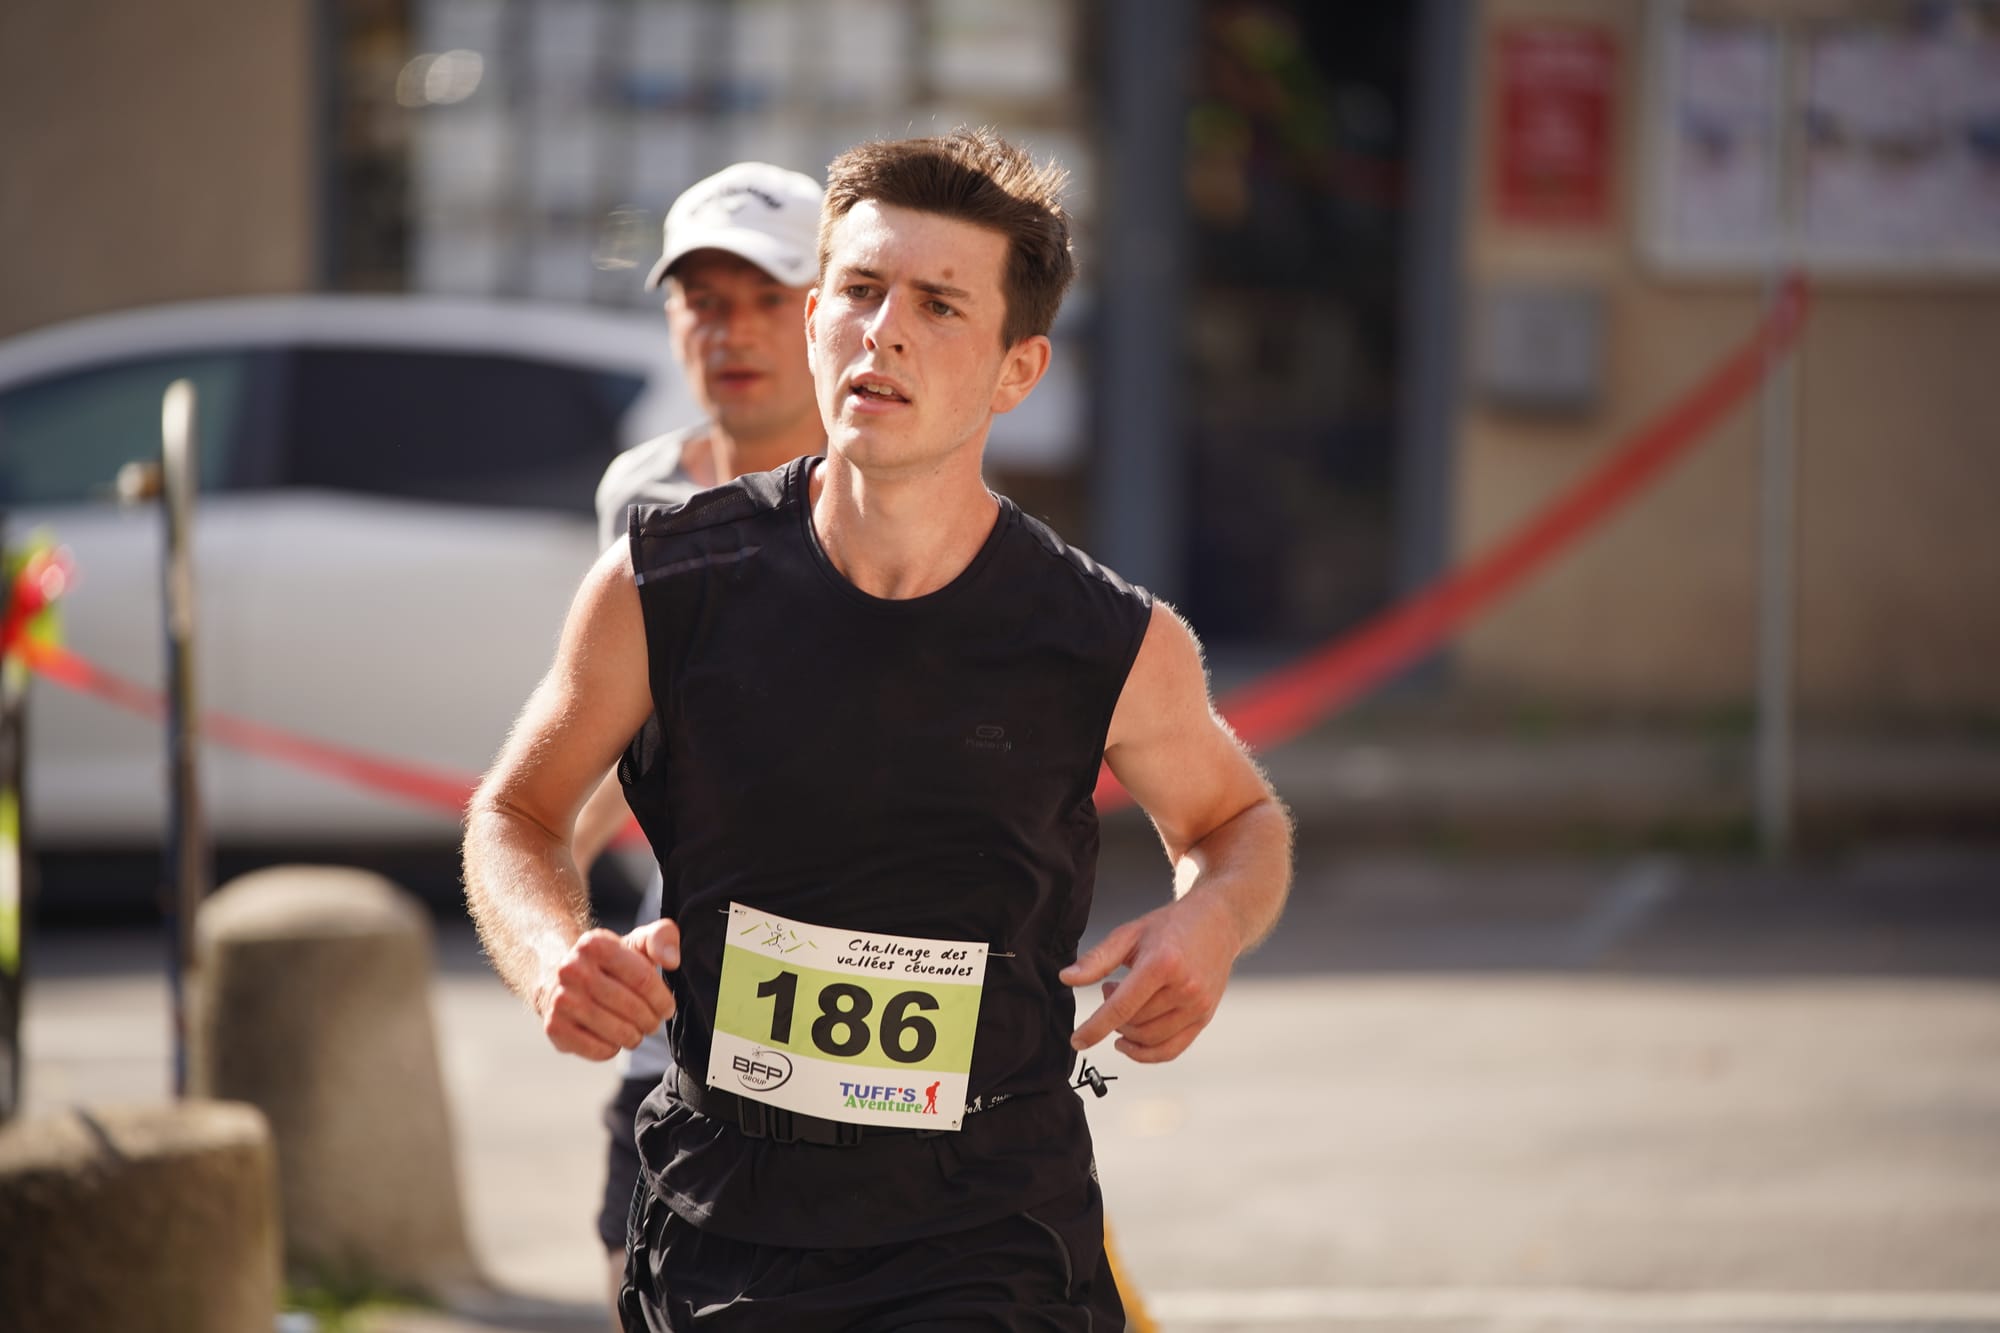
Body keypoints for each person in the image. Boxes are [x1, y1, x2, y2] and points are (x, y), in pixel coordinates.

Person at [463, 127, 1292, 1331]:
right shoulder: (662, 583)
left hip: (987, 1236)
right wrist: (551, 952)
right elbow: (515, 813)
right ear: (818, 322)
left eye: (939, 305)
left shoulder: (1104, 638)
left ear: (1016, 370)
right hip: (723, 1231)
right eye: (858, 290)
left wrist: (1207, 922)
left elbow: (1238, 821)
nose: (883, 331)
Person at [568, 160, 827, 1315]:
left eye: (769, 297)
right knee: (637, 1274)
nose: (733, 331)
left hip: (871, 993)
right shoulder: (641, 497)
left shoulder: (893, 485)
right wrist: (554, 876)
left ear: (824, 312)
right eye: (704, 300)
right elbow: (607, 726)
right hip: (685, 972)